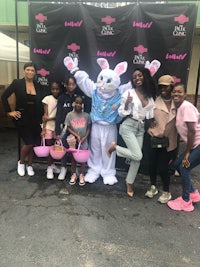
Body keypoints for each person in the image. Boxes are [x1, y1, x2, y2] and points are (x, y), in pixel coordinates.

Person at [107, 67, 157, 197]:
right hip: (128, 126)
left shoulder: (149, 95)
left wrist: (152, 128)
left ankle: (129, 182)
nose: (137, 78)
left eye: (140, 75)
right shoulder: (129, 93)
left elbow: (150, 115)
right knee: (138, 155)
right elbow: (121, 113)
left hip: (141, 128)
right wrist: (127, 104)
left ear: (145, 77)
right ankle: (115, 148)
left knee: (136, 159)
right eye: (134, 77)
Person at [1, 62, 45, 176]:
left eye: (32, 70)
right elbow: (4, 96)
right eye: (28, 70)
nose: (30, 72)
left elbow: (41, 103)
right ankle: (21, 162)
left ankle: (29, 165)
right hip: (21, 117)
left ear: (35, 73)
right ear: (24, 71)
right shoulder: (17, 83)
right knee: (29, 142)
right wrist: (9, 112)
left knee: (34, 142)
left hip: (35, 118)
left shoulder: (37, 85)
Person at [167, 83, 200, 212]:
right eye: (174, 91)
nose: (176, 94)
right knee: (177, 164)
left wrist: (187, 152)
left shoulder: (186, 107)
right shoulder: (179, 107)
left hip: (197, 144)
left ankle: (186, 202)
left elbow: (192, 131)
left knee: (184, 167)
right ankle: (193, 193)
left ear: (185, 94)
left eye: (179, 92)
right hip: (194, 145)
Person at [145, 75, 178, 203]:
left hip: (170, 141)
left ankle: (166, 191)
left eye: (166, 86)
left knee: (164, 167)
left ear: (171, 87)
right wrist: (150, 128)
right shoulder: (154, 101)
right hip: (155, 139)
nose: (163, 88)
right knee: (152, 165)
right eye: (160, 86)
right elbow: (146, 117)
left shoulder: (178, 102)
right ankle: (153, 186)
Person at [62, 96, 91, 186]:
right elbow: (68, 127)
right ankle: (74, 173)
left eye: (80, 103)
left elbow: (88, 128)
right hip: (73, 140)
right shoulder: (70, 115)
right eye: (76, 102)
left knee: (82, 159)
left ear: (82, 105)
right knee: (74, 158)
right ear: (74, 103)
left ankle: (81, 174)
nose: (78, 105)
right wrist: (76, 135)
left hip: (83, 140)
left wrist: (85, 137)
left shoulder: (86, 115)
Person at [55, 76, 77, 180]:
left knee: (74, 149)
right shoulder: (61, 98)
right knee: (63, 148)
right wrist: (57, 131)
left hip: (76, 128)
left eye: (73, 84)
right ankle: (63, 168)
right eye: (69, 84)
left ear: (76, 85)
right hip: (64, 127)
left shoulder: (78, 98)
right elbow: (58, 114)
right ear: (65, 85)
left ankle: (74, 170)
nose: (71, 86)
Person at [41, 82, 61, 179]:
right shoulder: (47, 99)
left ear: (60, 90)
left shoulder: (61, 100)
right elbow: (45, 116)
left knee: (54, 148)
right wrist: (44, 129)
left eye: (57, 89)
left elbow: (60, 116)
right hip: (48, 127)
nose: (55, 91)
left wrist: (52, 118)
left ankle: (52, 164)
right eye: (53, 89)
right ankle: (49, 168)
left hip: (57, 128)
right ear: (51, 89)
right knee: (49, 148)